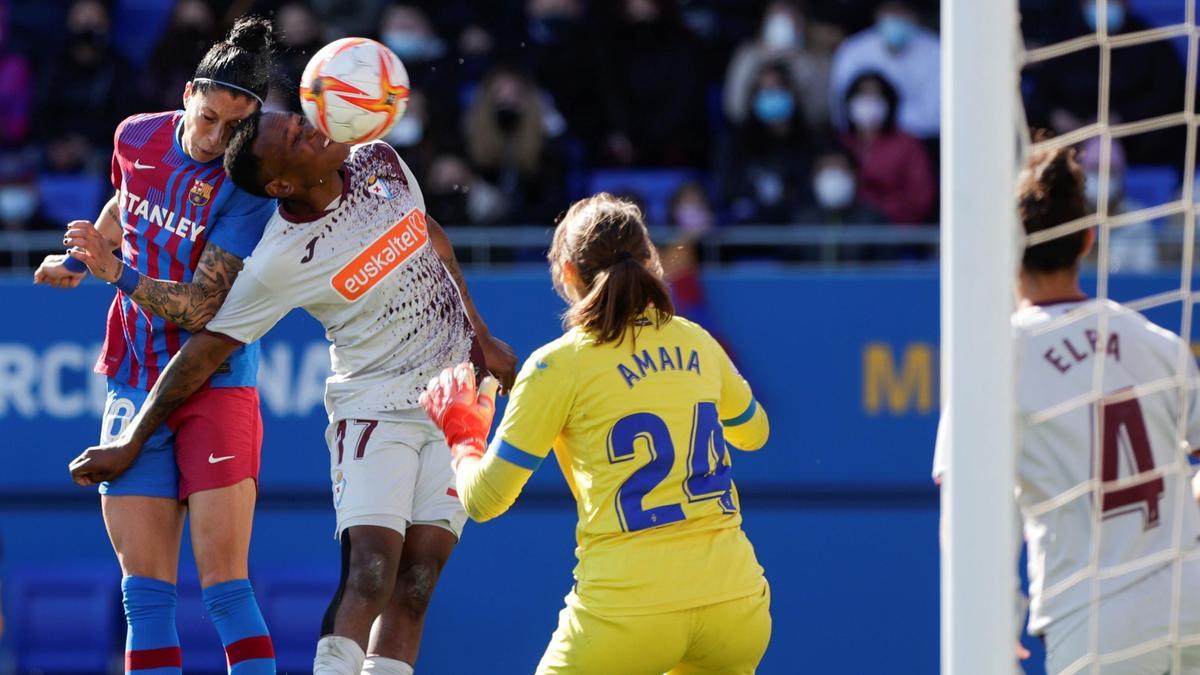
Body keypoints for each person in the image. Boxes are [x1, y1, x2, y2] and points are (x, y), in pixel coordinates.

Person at [69, 110, 517, 675]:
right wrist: (134, 439)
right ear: (281, 185)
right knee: (372, 571)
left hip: (452, 400)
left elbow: (427, 231)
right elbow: (207, 349)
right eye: (297, 137)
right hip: (372, 408)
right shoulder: (280, 258)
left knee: (418, 583)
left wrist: (480, 335)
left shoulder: (379, 158)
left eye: (301, 123)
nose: (315, 129)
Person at [420, 193, 772, 674]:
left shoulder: (557, 365)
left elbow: (484, 501)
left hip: (626, 611)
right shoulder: (698, 341)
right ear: (650, 261)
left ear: (567, 273)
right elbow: (754, 433)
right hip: (737, 606)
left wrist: (462, 433)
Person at [34, 17, 281, 675]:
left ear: (253, 121)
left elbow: (203, 305)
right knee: (145, 597)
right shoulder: (134, 135)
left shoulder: (249, 185)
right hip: (131, 374)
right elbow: (127, 205)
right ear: (188, 91)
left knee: (226, 589)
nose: (214, 138)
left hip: (214, 380)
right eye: (206, 117)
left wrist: (117, 273)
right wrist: (81, 260)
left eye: (234, 128)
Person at [933, 145, 1200, 673]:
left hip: (1094, 617)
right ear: (1088, 238)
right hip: (1188, 600)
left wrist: (996, 616)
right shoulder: (1158, 342)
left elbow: (964, 508)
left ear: (1003, 248)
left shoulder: (995, 362)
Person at [829, 0, 940, 140]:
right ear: (877, 13)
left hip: (921, 141)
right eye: (890, 9)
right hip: (861, 142)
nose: (896, 16)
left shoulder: (936, 51)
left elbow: (936, 116)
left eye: (902, 11)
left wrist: (885, 121)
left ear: (916, 15)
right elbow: (841, 110)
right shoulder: (853, 50)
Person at [839, 71, 934, 226]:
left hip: (895, 231)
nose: (868, 102)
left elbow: (920, 197)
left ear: (888, 102)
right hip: (846, 232)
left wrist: (876, 214)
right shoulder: (838, 143)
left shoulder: (907, 145)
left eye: (876, 96)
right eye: (862, 95)